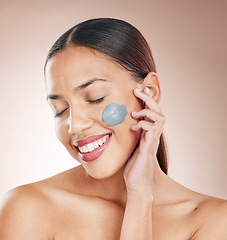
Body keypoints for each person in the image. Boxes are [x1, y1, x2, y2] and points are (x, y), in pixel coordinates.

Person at [0, 18, 226, 240]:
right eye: (60, 110)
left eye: (95, 98)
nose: (75, 125)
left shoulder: (214, 221)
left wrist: (139, 198)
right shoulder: (28, 209)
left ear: (149, 92)